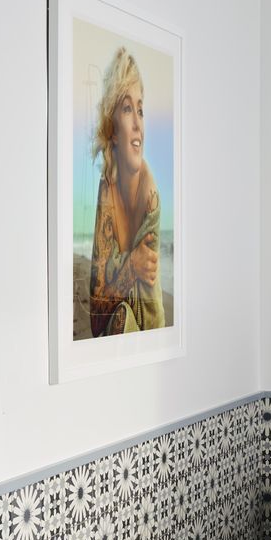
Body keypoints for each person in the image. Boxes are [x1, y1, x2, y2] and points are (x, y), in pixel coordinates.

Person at [89, 47, 165, 336]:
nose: (137, 125)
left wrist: (115, 276)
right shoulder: (108, 185)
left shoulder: (150, 197)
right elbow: (96, 318)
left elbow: (148, 324)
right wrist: (131, 265)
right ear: (112, 129)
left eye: (141, 110)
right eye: (127, 108)